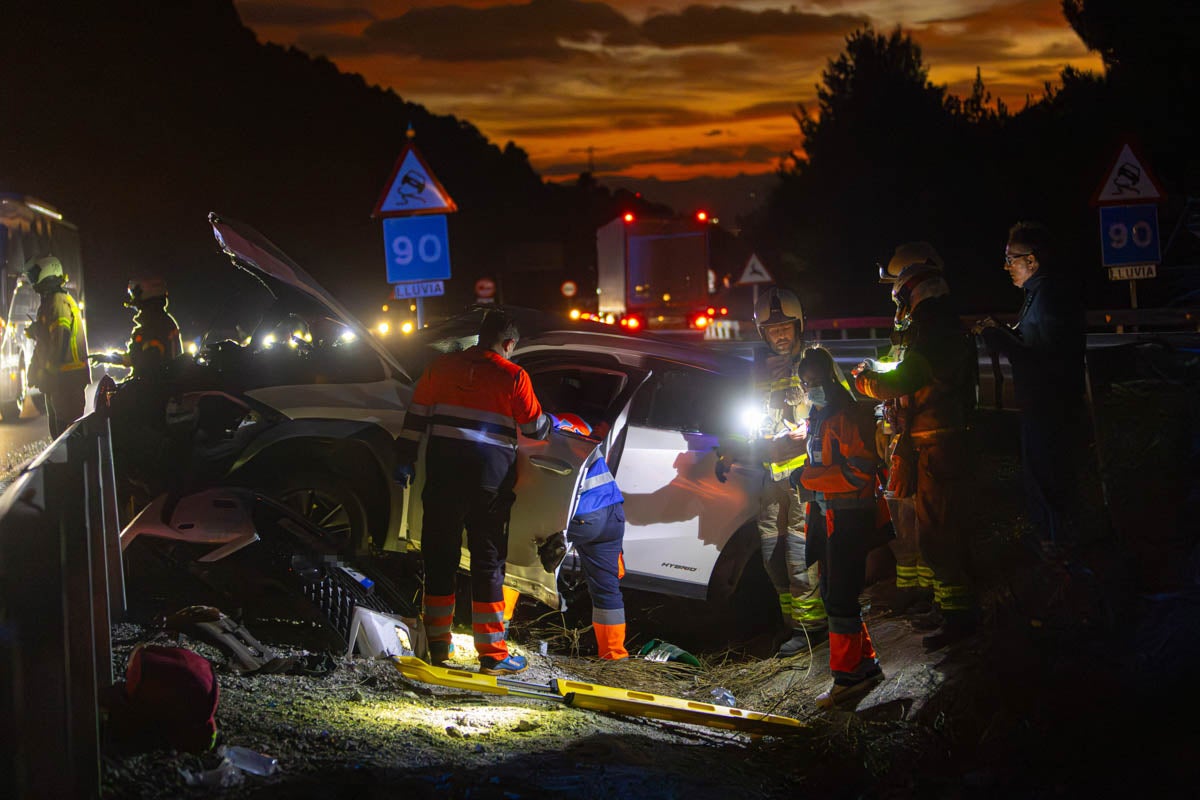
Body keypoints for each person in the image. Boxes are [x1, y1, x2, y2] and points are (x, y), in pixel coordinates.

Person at [394, 309, 551, 676]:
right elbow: (535, 428)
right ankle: (493, 655)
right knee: (487, 565)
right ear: (509, 343)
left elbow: (415, 417)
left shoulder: (441, 368)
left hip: (443, 477)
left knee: (439, 560)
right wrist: (552, 422)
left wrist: (404, 458)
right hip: (489, 484)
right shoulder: (513, 375)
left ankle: (437, 647)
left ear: (480, 336)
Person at [854, 242, 979, 651]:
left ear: (911, 292)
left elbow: (908, 378)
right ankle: (947, 609)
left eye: (899, 297)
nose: (899, 308)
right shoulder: (938, 322)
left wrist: (867, 382)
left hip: (937, 445)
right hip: (931, 442)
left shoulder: (934, 326)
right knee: (934, 531)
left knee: (940, 534)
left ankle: (960, 618)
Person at [716, 286, 826, 656]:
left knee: (799, 555)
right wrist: (729, 449)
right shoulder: (758, 372)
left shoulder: (816, 362)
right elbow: (743, 415)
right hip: (769, 477)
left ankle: (812, 630)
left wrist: (808, 427)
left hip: (802, 479)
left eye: (786, 327)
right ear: (762, 333)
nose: (780, 334)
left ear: (799, 327)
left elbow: (839, 409)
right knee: (772, 558)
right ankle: (790, 627)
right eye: (772, 329)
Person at [974, 222, 1086, 553]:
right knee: (1044, 477)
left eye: (1012, 259)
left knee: (1049, 479)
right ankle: (1055, 545)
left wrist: (997, 338)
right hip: (1043, 403)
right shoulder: (1038, 294)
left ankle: (1059, 551)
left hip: (1050, 406)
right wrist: (1002, 331)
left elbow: (1042, 358)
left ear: (1032, 261)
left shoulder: (1049, 297)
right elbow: (1031, 343)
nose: (1006, 266)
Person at [793, 346, 884, 708]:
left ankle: (847, 679)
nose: (810, 387)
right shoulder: (819, 415)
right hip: (830, 516)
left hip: (849, 516)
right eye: (805, 382)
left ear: (830, 378)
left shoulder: (844, 414)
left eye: (814, 381)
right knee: (836, 592)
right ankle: (866, 664)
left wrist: (809, 478)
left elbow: (858, 472)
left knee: (840, 597)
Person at [546, 412, 629, 659]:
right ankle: (614, 656)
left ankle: (501, 631)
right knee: (607, 588)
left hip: (583, 516)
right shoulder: (585, 430)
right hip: (613, 514)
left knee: (518, 560)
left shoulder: (550, 425)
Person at [25, 256, 90, 437]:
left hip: (67, 381)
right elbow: (45, 344)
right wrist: (35, 369)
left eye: (34, 275)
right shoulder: (50, 303)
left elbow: (59, 342)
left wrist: (47, 373)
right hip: (59, 381)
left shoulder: (58, 303)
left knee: (66, 438)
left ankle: (74, 466)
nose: (32, 280)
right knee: (59, 437)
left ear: (46, 273)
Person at [90, 278, 182, 378]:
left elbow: (146, 364)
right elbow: (133, 357)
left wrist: (134, 383)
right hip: (164, 386)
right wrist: (106, 358)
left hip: (157, 389)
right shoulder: (162, 322)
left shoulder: (153, 326)